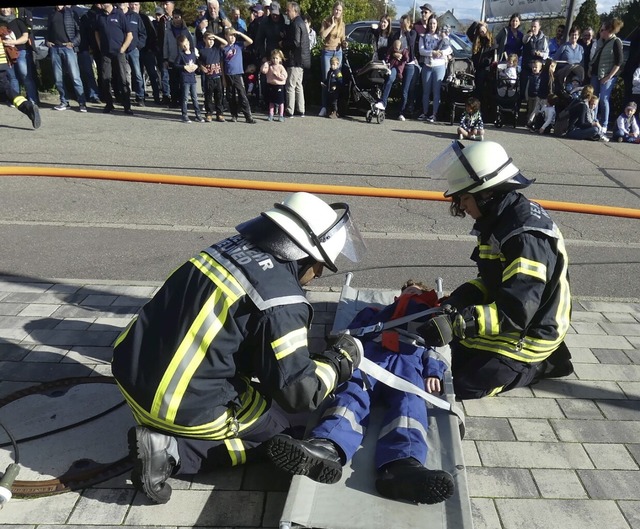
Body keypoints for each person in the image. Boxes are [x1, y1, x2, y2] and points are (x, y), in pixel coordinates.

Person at [112, 191, 366, 504]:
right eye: (321, 264)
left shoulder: (226, 248)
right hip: (181, 404)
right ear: (304, 255)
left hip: (130, 371)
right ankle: (172, 452)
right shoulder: (282, 300)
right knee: (286, 432)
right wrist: (339, 361)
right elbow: (299, 393)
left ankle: (168, 435)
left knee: (268, 401)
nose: (321, 273)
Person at [266, 279, 455, 505]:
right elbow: (351, 335)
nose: (409, 293)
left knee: (409, 405)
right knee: (352, 394)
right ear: (398, 295)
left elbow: (433, 348)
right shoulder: (374, 312)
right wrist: (337, 354)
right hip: (370, 358)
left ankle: (403, 466)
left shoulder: (428, 312)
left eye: (415, 291)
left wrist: (433, 371)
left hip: (408, 361)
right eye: (406, 290)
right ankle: (327, 446)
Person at [422, 140, 573, 400]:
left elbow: (517, 310)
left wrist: (461, 322)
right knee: (449, 355)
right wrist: (459, 300)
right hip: (511, 320)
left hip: (531, 332)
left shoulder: (523, 236)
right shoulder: (497, 219)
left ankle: (542, 365)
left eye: (464, 198)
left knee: (463, 385)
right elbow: (491, 280)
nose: (461, 206)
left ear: (487, 192)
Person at [46, 5, 88, 112]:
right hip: (55, 48)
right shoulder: (51, 13)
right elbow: (48, 30)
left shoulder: (71, 13)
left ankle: (82, 103)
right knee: (58, 78)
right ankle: (64, 102)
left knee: (75, 77)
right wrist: (47, 41)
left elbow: (79, 31)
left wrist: (73, 43)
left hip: (68, 48)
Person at [0, 17, 40, 128]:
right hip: (2, 62)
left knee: (6, 90)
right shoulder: (2, 26)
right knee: (7, 90)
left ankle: (28, 107)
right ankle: (28, 107)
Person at [95, 2, 134, 115]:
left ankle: (127, 106)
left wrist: (123, 49)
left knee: (123, 79)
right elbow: (96, 32)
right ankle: (109, 104)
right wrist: (100, 47)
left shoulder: (119, 14)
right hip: (106, 53)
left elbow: (129, 34)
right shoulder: (99, 16)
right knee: (105, 78)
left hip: (119, 52)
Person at [590, 18, 624, 134]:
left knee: (604, 99)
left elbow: (619, 62)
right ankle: (593, 121)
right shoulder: (601, 42)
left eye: (602, 30)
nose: (600, 31)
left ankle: (604, 124)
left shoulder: (616, 42)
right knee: (594, 99)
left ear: (609, 30)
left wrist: (609, 76)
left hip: (607, 75)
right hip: (596, 74)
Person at [0, 7, 38, 104]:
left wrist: (13, 42)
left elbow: (25, 37)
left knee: (26, 76)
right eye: (2, 8)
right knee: (12, 77)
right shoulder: (0, 23)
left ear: (11, 9)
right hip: (7, 54)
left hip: (21, 52)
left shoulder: (18, 21)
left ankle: (32, 99)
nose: (5, 10)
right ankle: (16, 100)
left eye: (7, 8)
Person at [417, 14, 451, 123]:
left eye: (434, 23)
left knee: (436, 92)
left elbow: (449, 49)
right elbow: (421, 50)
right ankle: (425, 112)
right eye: (431, 23)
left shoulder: (441, 36)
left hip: (439, 66)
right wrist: (432, 52)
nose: (432, 25)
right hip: (427, 65)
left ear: (437, 25)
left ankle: (434, 114)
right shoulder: (423, 36)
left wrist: (441, 52)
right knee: (425, 91)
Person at [223, 26, 257, 123]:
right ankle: (234, 115)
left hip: (238, 74)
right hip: (228, 74)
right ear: (226, 36)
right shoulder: (224, 48)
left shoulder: (238, 45)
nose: (232, 37)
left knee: (242, 95)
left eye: (234, 35)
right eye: (230, 35)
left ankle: (248, 116)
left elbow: (250, 41)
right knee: (230, 96)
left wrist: (240, 34)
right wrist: (224, 78)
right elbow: (222, 63)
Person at [318, 1, 346, 117]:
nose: (337, 12)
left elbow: (342, 38)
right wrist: (332, 25)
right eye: (336, 9)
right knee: (326, 80)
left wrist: (344, 43)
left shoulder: (343, 24)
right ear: (333, 10)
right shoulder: (326, 21)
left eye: (339, 10)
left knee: (337, 81)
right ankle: (324, 106)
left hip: (338, 52)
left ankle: (334, 108)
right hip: (327, 52)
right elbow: (322, 35)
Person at [282, 1, 309, 119]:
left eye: (288, 10)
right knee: (298, 85)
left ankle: (290, 110)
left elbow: (296, 43)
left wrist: (283, 43)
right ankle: (301, 109)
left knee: (290, 85)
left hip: (295, 59)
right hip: (302, 59)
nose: (287, 13)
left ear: (295, 10)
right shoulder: (301, 22)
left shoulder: (295, 24)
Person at [162, 8, 194, 109]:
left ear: (181, 18)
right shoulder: (168, 29)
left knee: (182, 81)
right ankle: (174, 100)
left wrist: (191, 56)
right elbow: (165, 44)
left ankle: (182, 100)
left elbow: (191, 44)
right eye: (175, 17)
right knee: (173, 81)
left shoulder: (185, 30)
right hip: (172, 58)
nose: (176, 20)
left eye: (178, 17)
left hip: (183, 59)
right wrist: (165, 58)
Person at [390, 14, 418, 121]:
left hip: (408, 64)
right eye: (400, 22)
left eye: (404, 23)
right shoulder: (397, 34)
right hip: (397, 63)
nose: (402, 25)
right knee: (393, 82)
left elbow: (411, 43)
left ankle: (402, 112)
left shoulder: (412, 33)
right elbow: (391, 47)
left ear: (409, 23)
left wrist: (406, 31)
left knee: (405, 89)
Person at [135, 2, 162, 105]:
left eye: (136, 5)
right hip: (136, 51)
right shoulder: (127, 17)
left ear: (139, 6)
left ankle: (156, 96)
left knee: (152, 74)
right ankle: (140, 97)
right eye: (132, 5)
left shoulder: (144, 18)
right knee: (138, 74)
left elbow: (152, 33)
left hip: (147, 50)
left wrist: (152, 48)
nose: (134, 7)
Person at [198, 30, 227, 122]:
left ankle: (220, 113)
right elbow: (197, 61)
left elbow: (225, 43)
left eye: (212, 39)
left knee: (219, 96)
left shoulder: (217, 49)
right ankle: (209, 113)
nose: (211, 41)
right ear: (204, 40)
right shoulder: (202, 51)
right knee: (208, 97)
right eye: (209, 39)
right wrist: (200, 66)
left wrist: (215, 36)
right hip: (208, 78)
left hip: (218, 77)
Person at [175, 34, 203, 123]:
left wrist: (196, 66)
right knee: (185, 98)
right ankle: (184, 115)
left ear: (189, 43)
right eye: (183, 45)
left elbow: (196, 63)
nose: (186, 46)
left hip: (192, 79)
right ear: (181, 46)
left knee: (195, 97)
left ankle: (198, 115)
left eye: (186, 44)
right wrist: (184, 67)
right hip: (185, 79)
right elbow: (176, 65)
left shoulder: (193, 54)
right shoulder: (181, 55)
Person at [375, 38, 409, 112]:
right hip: (390, 66)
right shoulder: (391, 50)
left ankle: (383, 102)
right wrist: (391, 57)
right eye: (394, 48)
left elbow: (406, 59)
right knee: (384, 81)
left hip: (397, 68)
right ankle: (380, 100)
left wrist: (400, 55)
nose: (396, 49)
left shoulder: (404, 51)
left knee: (390, 79)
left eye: (397, 48)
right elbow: (387, 56)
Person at [467, 21, 495, 104]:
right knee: (476, 90)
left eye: (483, 31)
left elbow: (494, 53)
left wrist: (488, 61)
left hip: (485, 69)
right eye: (480, 31)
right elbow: (469, 32)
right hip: (476, 68)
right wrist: (476, 23)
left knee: (483, 90)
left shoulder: (491, 40)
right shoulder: (476, 39)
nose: (482, 33)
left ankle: (483, 107)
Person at [520, 19, 548, 101]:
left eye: (535, 27)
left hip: (537, 70)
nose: (533, 28)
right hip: (527, 67)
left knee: (535, 91)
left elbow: (546, 53)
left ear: (539, 27)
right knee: (523, 90)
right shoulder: (527, 36)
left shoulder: (544, 39)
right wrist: (529, 36)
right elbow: (524, 41)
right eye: (531, 26)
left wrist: (541, 54)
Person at [260, 48, 287, 121]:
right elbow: (263, 71)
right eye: (273, 58)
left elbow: (285, 76)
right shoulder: (270, 67)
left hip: (279, 86)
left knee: (281, 101)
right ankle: (271, 114)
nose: (275, 60)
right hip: (271, 86)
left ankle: (281, 115)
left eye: (276, 58)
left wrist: (278, 75)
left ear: (280, 59)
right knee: (271, 101)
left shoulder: (281, 67)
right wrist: (265, 64)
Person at [525, 59, 543, 128]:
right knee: (530, 109)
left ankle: (534, 123)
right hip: (530, 95)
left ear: (540, 68)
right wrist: (526, 95)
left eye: (536, 67)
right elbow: (527, 86)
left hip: (537, 96)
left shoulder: (540, 77)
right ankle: (528, 122)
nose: (534, 69)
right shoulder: (530, 77)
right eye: (533, 67)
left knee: (535, 110)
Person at [323, 54, 343, 118]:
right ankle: (329, 111)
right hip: (329, 90)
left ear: (337, 64)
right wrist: (324, 83)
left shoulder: (338, 72)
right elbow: (328, 79)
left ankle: (335, 112)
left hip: (335, 91)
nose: (332, 66)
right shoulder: (330, 72)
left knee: (334, 102)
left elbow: (340, 81)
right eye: (331, 64)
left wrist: (336, 86)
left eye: (334, 65)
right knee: (329, 101)